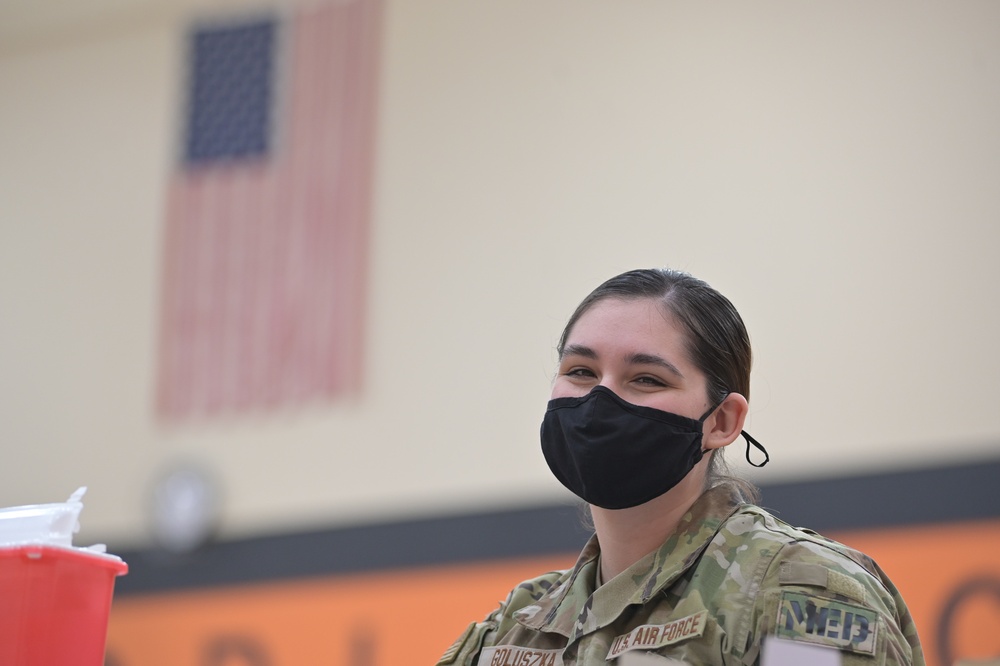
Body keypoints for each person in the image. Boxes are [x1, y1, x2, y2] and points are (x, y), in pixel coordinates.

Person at [436, 268, 924, 666]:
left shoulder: (796, 593)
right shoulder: (519, 625)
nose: (600, 400)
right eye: (580, 372)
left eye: (645, 379)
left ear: (722, 420)